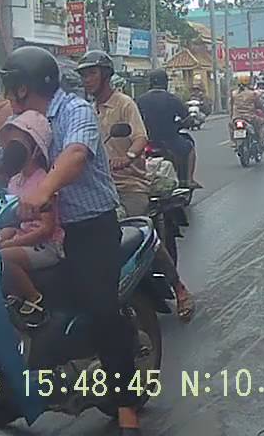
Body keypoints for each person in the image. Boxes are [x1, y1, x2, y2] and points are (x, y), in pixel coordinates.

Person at [0, 46, 145, 434]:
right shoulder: (21, 121)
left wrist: (44, 189)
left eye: (10, 86)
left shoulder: (75, 111)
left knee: (101, 308)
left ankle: (126, 404)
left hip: (90, 227)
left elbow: (75, 154)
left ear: (24, 88)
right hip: (41, 230)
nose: (6, 94)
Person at [78, 51, 195, 322]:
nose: (87, 80)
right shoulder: (85, 109)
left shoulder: (124, 103)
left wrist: (128, 157)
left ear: (106, 75)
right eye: (83, 75)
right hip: (96, 188)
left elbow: (140, 138)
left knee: (140, 232)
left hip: (128, 184)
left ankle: (179, 288)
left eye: (92, 73)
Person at [0, 111, 63, 327]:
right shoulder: (14, 181)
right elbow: (13, 219)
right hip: (24, 238)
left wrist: (12, 243)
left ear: (35, 149)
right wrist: (4, 234)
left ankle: (34, 299)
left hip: (47, 245)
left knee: (3, 257)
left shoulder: (44, 181)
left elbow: (46, 229)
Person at [136, 69, 202, 191]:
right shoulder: (172, 99)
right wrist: (185, 123)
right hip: (170, 139)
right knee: (190, 148)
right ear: (165, 82)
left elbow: (134, 120)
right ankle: (189, 180)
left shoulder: (140, 100)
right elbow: (187, 119)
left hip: (146, 140)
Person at [229, 75, 264, 145]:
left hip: (236, 117)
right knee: (263, 123)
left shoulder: (234, 93)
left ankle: (233, 142)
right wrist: (263, 111)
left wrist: (232, 116)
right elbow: (259, 105)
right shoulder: (253, 94)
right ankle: (261, 141)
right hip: (250, 117)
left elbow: (231, 106)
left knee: (231, 126)